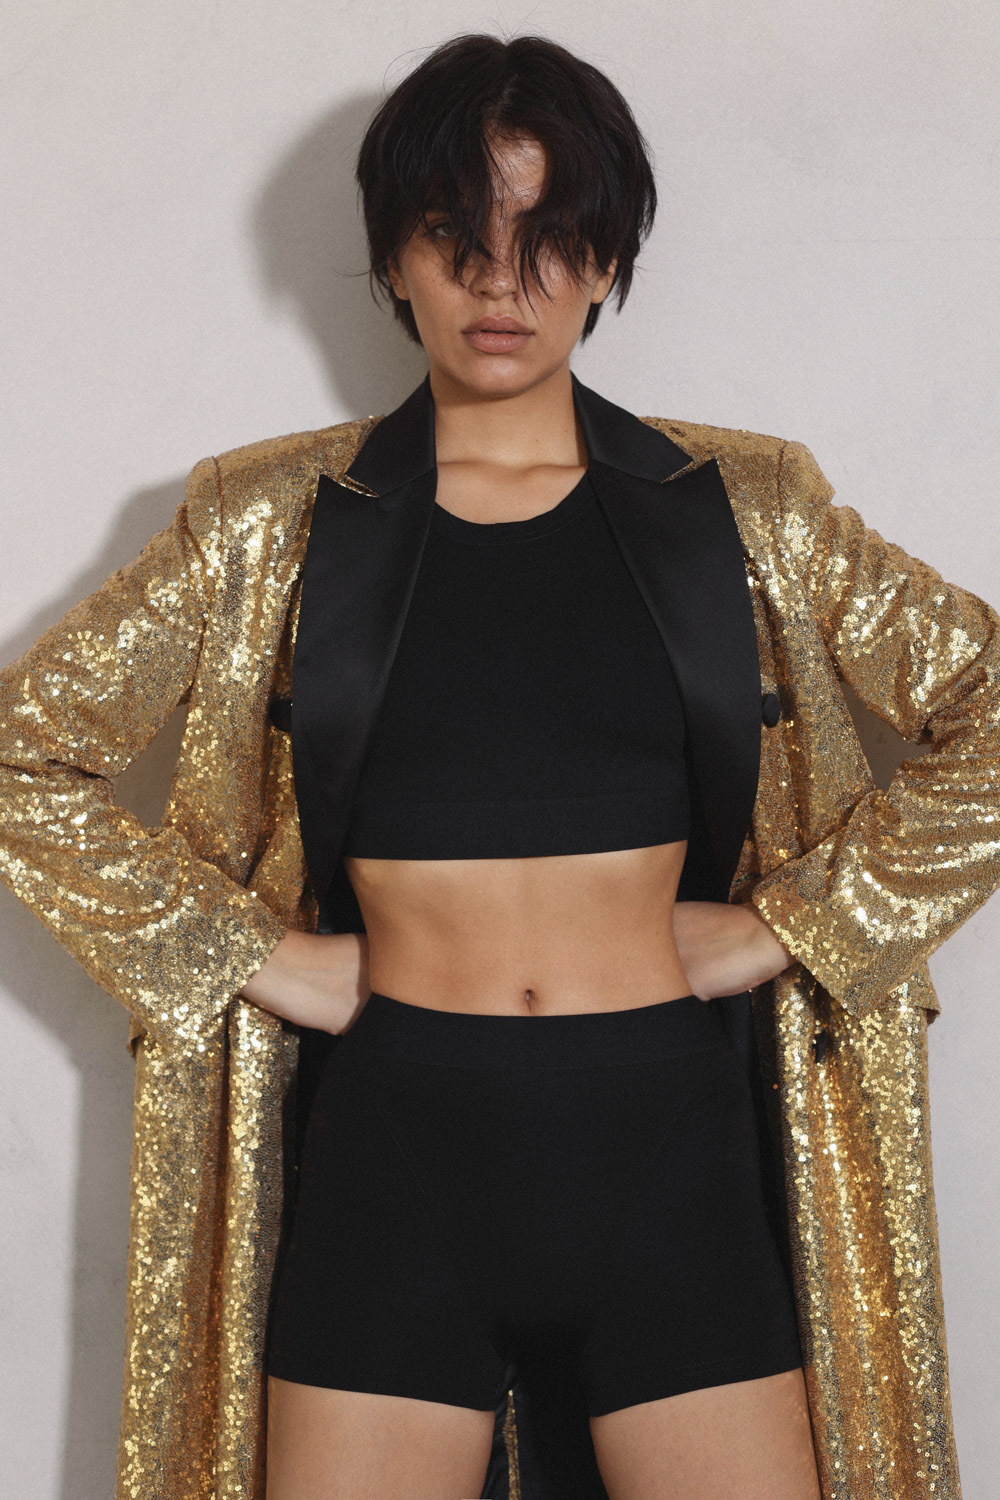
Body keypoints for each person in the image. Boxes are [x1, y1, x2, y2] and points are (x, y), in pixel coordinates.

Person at [0, 29, 995, 1500]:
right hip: (396, 1152)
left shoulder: (744, 508)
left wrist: (801, 924)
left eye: (550, 239)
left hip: (669, 1149)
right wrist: (241, 954)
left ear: (608, 261)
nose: (500, 285)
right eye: (455, 236)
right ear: (394, 260)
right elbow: (22, 754)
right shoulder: (268, 522)